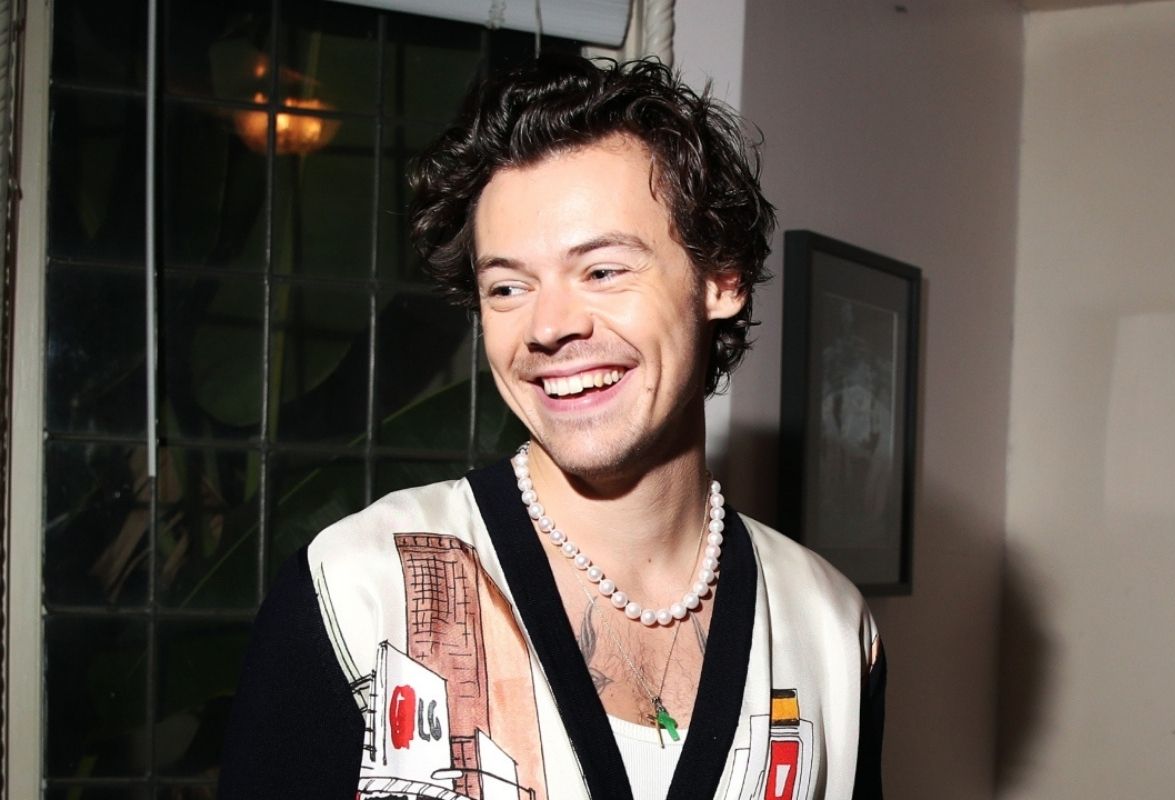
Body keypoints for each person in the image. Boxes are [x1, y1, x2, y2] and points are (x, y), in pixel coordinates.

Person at [219, 55, 885, 800]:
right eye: (508, 286)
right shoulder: (356, 593)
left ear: (720, 278)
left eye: (602, 270)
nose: (548, 326)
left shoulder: (831, 630)